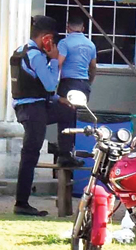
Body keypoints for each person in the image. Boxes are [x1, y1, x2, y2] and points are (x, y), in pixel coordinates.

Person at [11, 15, 64, 217]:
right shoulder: (38, 56)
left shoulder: (20, 51)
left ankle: (66, 153)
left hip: (26, 107)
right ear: (47, 39)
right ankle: (22, 202)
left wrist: (59, 100)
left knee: (67, 111)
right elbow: (50, 84)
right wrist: (54, 61)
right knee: (30, 155)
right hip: (34, 109)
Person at [51, 12, 98, 168]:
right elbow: (93, 67)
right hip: (83, 84)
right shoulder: (91, 44)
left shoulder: (64, 43)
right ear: (83, 28)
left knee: (65, 119)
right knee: (78, 119)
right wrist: (89, 83)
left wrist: (50, 81)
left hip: (68, 84)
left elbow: (59, 62)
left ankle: (65, 154)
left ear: (67, 27)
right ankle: (75, 153)